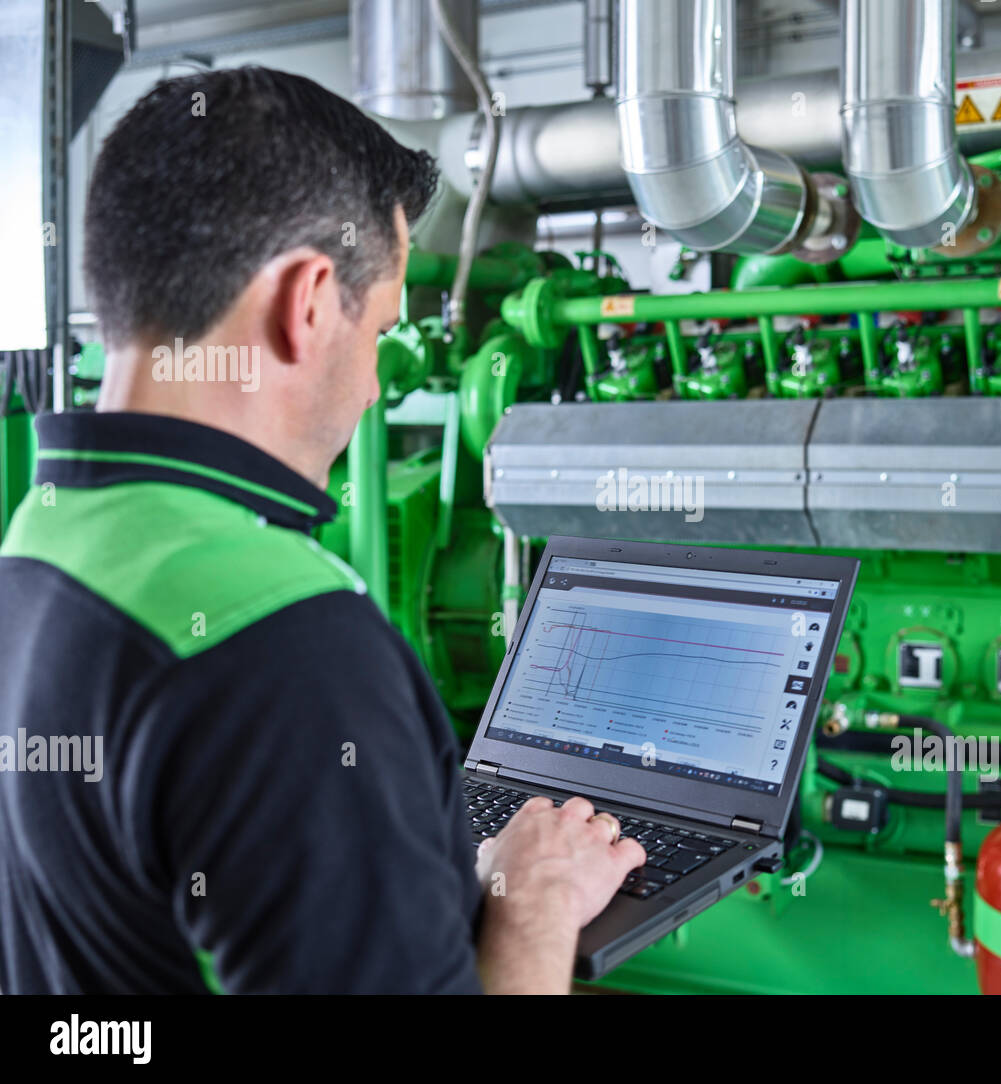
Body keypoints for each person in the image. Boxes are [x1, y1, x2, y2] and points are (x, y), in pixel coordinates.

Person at [0, 66, 644, 995]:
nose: (377, 383)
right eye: (381, 329)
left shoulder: (40, 545)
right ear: (306, 300)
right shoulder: (278, 646)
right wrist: (536, 899)